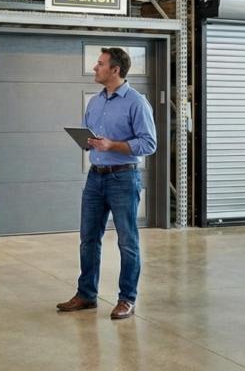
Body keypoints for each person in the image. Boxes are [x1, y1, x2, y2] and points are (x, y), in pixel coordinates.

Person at [57, 48, 156, 320]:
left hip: (123, 177)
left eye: (100, 64)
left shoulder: (136, 102)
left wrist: (113, 144)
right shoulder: (95, 102)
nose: (94, 68)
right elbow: (91, 137)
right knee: (88, 239)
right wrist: (88, 142)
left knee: (127, 241)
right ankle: (86, 294)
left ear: (115, 70)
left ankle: (127, 299)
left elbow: (149, 144)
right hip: (95, 176)